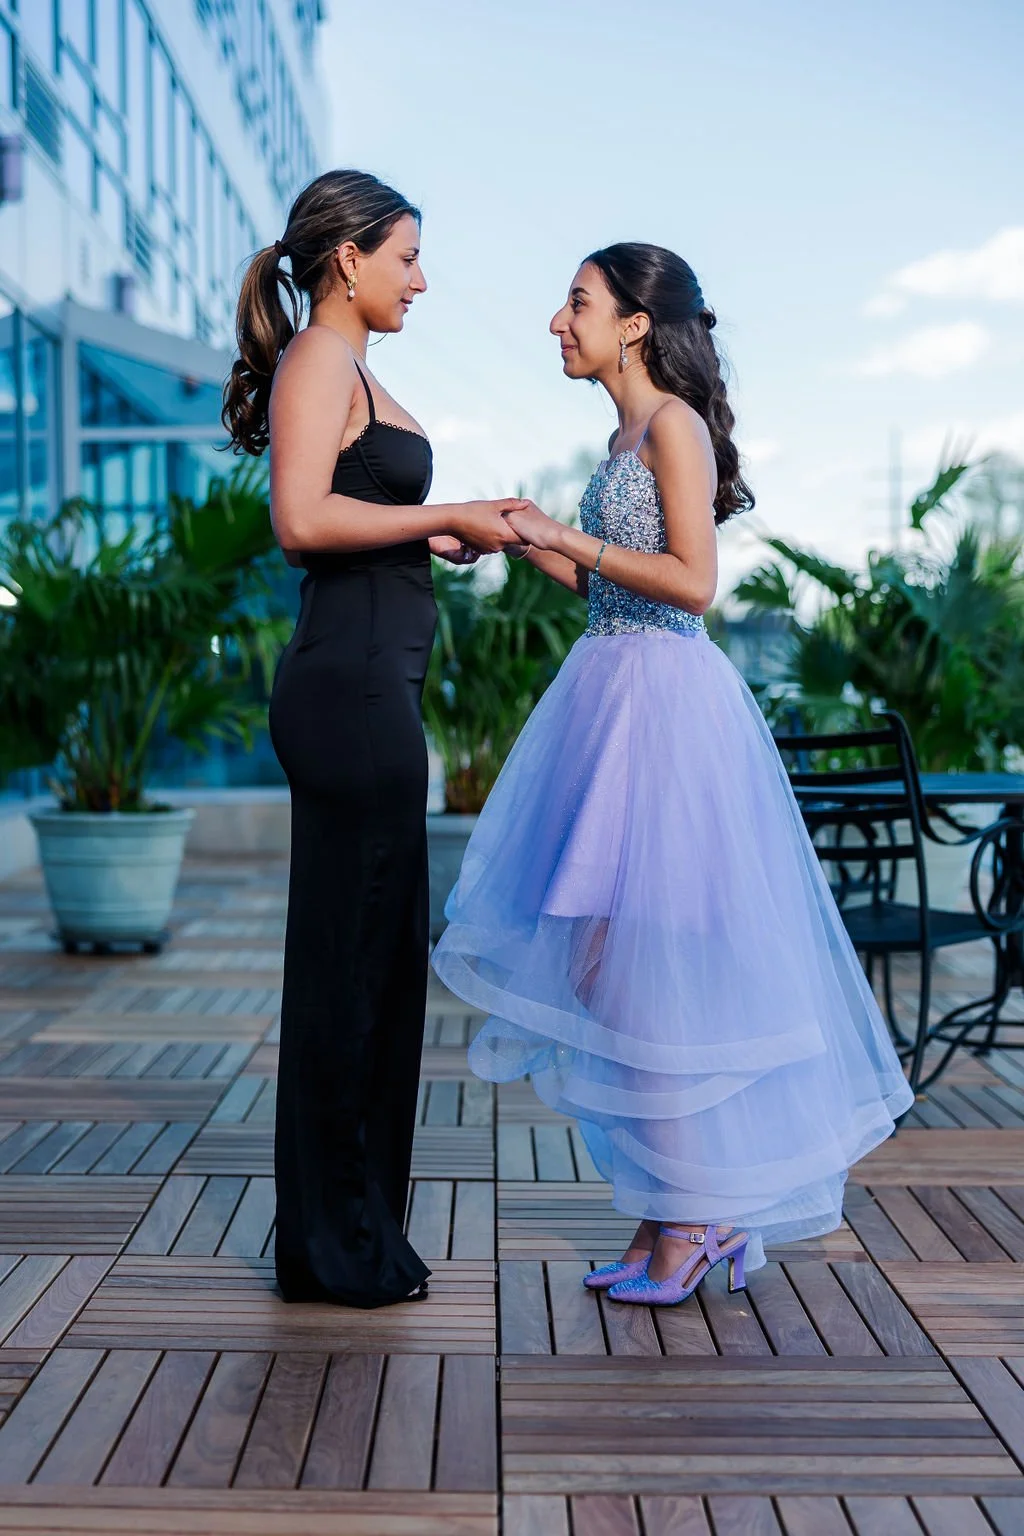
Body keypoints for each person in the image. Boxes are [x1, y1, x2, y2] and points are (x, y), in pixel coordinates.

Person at [431, 242, 914, 1306]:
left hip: (664, 718)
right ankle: (672, 1219)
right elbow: (607, 592)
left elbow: (690, 584)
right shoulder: (619, 433)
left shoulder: (674, 427)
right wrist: (525, 538)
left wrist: (571, 535)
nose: (558, 322)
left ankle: (697, 1218)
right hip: (610, 704)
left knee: (638, 971)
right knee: (619, 970)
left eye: (577, 303)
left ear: (636, 323)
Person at [222, 169, 524, 1308]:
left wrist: (434, 542)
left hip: (370, 691)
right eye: (405, 255)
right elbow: (300, 521)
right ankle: (332, 1247)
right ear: (346, 260)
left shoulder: (353, 370)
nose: (421, 276)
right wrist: (441, 512)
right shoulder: (317, 358)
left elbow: (355, 513)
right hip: (346, 696)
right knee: (353, 972)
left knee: (381, 969)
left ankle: (349, 1236)